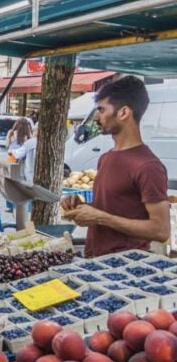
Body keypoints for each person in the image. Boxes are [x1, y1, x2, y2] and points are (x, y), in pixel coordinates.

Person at [61, 76, 170, 257]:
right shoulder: (106, 158)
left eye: (102, 110)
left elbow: (160, 230)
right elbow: (113, 210)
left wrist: (99, 217)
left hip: (127, 269)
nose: (96, 117)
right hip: (96, 262)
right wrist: (83, 209)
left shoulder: (148, 166)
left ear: (124, 112)